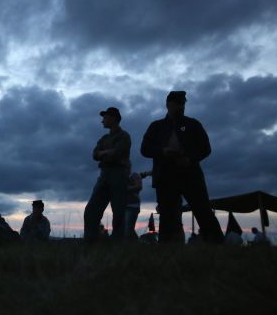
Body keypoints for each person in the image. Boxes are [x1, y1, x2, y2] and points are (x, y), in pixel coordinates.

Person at [141, 91, 224, 244]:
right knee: (167, 215)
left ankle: (217, 245)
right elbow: (144, 149)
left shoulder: (193, 124)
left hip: (190, 173)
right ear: (168, 104)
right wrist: (163, 151)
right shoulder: (156, 126)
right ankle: (167, 249)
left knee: (203, 210)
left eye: (183, 103)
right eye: (178, 103)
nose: (181, 106)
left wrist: (189, 159)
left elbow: (205, 148)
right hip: (165, 176)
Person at [84, 107, 132, 242]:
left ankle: (117, 244)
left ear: (113, 118)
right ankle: (90, 242)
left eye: (105, 117)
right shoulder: (104, 138)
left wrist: (104, 153)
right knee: (91, 210)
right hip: (104, 175)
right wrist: (105, 153)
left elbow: (117, 152)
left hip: (118, 175)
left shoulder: (124, 136)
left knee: (118, 213)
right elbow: (95, 154)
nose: (102, 121)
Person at [125, 170, 151, 239]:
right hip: (123, 206)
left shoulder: (134, 175)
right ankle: (136, 245)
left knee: (128, 228)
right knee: (127, 228)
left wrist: (125, 189)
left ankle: (136, 244)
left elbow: (139, 186)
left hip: (132, 206)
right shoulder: (119, 177)